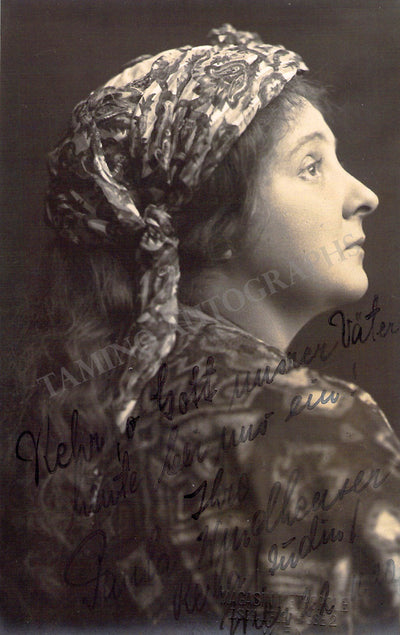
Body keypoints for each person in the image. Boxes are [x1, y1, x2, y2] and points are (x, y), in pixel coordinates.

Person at [3, 24, 400, 634]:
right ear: (217, 220)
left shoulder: (80, 415)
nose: (364, 195)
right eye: (311, 165)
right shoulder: (310, 422)